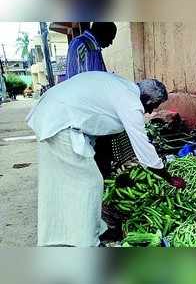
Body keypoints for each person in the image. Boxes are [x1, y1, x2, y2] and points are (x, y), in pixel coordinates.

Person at [26, 71, 185, 247]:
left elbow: (102, 127)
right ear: (146, 98)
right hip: (61, 122)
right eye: (153, 105)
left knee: (64, 183)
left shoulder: (122, 87)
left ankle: (65, 233)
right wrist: (169, 178)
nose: (151, 110)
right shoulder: (131, 102)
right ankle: (87, 241)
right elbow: (143, 147)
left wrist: (106, 166)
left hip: (54, 113)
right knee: (89, 183)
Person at [66, 22, 117, 178]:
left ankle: (104, 180)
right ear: (103, 33)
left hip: (93, 110)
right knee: (94, 154)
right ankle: (100, 185)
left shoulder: (93, 47)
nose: (111, 43)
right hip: (87, 110)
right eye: (110, 38)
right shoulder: (84, 46)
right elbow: (84, 83)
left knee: (102, 151)